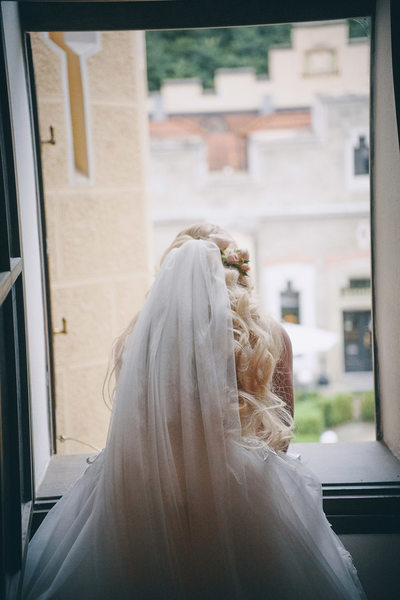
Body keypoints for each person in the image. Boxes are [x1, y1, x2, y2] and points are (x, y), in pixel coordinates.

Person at [21, 224, 366, 599]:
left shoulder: (137, 342)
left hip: (146, 501)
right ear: (238, 274)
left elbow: (133, 431)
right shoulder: (270, 336)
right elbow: (279, 442)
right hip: (245, 507)